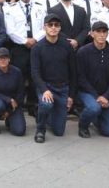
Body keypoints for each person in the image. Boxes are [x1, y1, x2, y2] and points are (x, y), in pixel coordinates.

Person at [31, 13, 77, 143]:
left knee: (59, 131)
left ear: (60, 28)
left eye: (56, 25)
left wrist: (71, 96)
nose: (53, 27)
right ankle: (40, 129)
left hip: (63, 88)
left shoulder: (67, 46)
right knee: (46, 104)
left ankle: (45, 114)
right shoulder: (37, 48)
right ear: (44, 27)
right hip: (47, 87)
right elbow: (35, 72)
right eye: (50, 25)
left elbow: (73, 72)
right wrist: (45, 90)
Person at [75, 21, 109, 138]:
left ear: (107, 34)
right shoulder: (83, 52)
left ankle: (94, 117)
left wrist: (106, 96)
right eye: (98, 31)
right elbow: (81, 78)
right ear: (92, 34)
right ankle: (83, 125)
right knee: (94, 108)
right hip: (87, 92)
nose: (101, 34)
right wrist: (97, 96)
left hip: (106, 94)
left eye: (104, 32)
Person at [0, 47, 26, 136]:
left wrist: (10, 110)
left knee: (20, 131)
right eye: (0, 58)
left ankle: (9, 119)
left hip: (14, 104)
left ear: (9, 59)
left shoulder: (17, 72)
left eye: (5, 58)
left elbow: (21, 92)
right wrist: (9, 100)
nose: (3, 60)